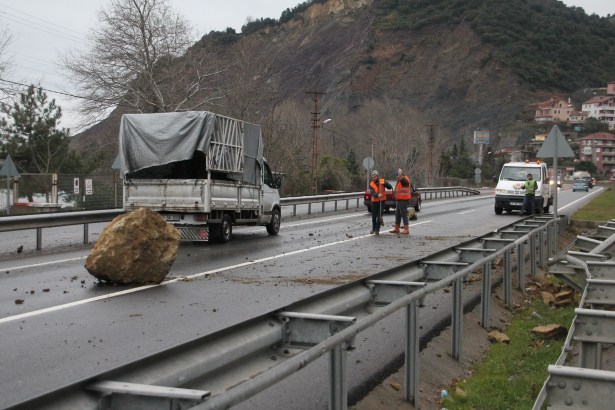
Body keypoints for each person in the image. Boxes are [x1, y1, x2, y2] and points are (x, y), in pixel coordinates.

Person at [368, 170, 392, 235]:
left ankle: (377, 229)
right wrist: (377, 195)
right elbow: (372, 192)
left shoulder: (382, 181)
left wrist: (385, 183)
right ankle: (373, 228)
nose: (373, 178)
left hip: (382, 201)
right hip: (374, 201)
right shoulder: (371, 184)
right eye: (372, 177)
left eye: (374, 177)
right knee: (374, 216)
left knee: (379, 216)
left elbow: (390, 187)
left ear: (378, 176)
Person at [389, 168, 411, 235]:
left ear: (400, 175)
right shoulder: (400, 180)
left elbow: (405, 183)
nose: (396, 177)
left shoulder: (405, 179)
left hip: (403, 199)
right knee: (397, 214)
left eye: (397, 175)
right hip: (399, 199)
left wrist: (400, 175)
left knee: (403, 214)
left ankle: (406, 229)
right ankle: (397, 228)